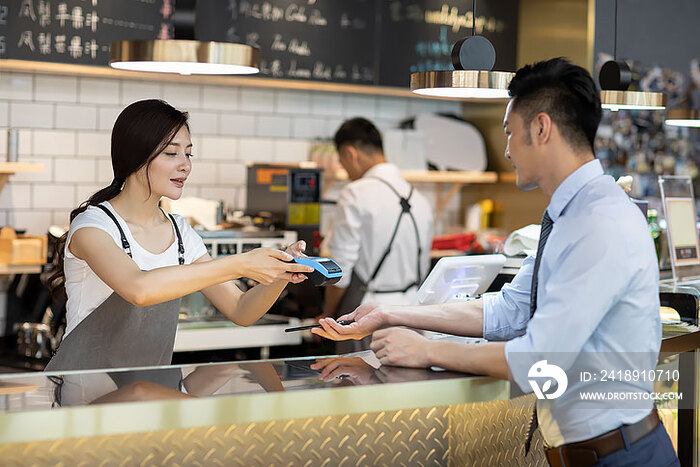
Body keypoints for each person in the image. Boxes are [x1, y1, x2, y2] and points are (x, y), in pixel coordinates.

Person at [313, 59, 679, 466]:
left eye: (510, 133)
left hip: (622, 456)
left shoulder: (598, 222)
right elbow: (510, 309)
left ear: (540, 128)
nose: (506, 150)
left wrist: (428, 352)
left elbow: (539, 360)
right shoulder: (571, 215)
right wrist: (390, 314)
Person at [45, 99, 314, 372]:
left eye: (188, 154)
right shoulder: (92, 226)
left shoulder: (180, 233)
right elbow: (139, 288)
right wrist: (241, 263)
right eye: (171, 154)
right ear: (135, 157)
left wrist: (282, 273)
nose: (185, 165)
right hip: (82, 394)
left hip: (142, 395)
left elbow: (241, 309)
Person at [320, 118, 433, 327]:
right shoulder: (420, 198)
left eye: (343, 164)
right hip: (412, 314)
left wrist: (326, 314)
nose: (346, 172)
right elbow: (424, 267)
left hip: (364, 317)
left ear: (349, 153)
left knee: (357, 362)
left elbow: (339, 271)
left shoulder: (355, 193)